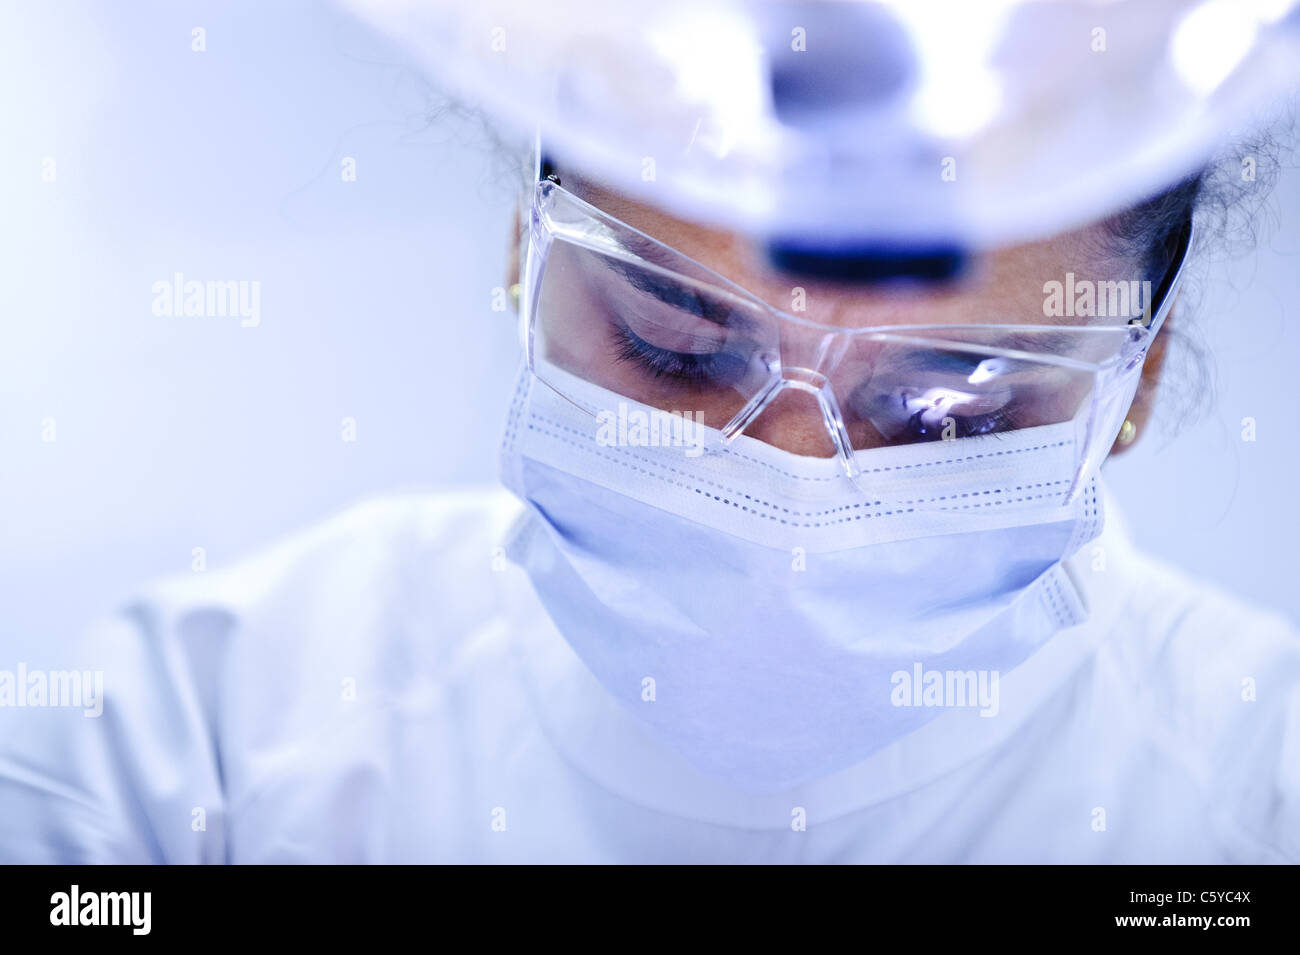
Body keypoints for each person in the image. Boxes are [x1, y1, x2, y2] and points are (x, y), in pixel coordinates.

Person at [3, 0, 1299, 863]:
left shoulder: (1256, 801)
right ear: (528, 246)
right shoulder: (215, 739)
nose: (789, 491)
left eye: (950, 416)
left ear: (1139, 375)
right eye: (675, 346)